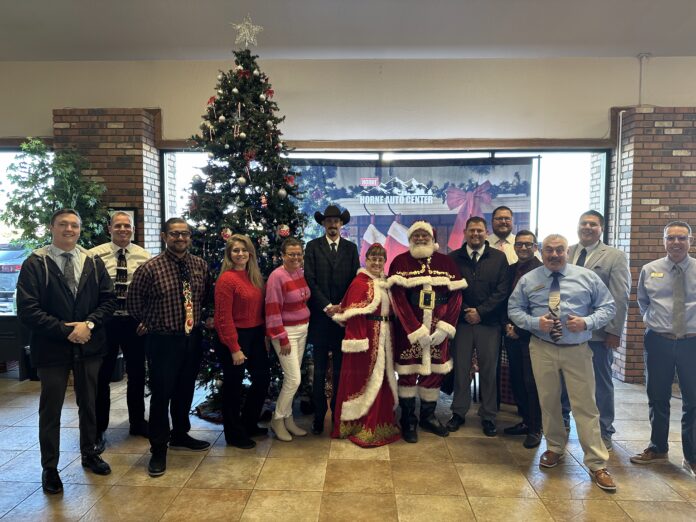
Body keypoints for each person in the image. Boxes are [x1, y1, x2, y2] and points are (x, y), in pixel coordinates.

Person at [17, 208, 116, 494]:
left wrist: (88, 324)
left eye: (74, 225)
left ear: (79, 229)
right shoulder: (36, 263)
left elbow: (108, 300)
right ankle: (50, 468)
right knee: (51, 409)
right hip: (51, 349)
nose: (69, 229)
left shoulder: (92, 261)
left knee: (89, 403)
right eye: (63, 224)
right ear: (52, 227)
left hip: (89, 345)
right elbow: (27, 309)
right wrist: (66, 330)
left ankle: (90, 453)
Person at [508, 234, 617, 492]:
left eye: (559, 250)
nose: (554, 255)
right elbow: (514, 309)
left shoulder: (586, 277)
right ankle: (554, 448)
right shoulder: (529, 280)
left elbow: (608, 307)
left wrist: (587, 322)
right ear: (541, 251)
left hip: (577, 350)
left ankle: (597, 463)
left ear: (567, 252)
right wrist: (535, 323)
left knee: (585, 406)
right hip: (542, 348)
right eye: (549, 250)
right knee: (548, 402)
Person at [127, 217, 211, 478]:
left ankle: (180, 434)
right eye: (174, 234)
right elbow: (133, 303)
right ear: (164, 236)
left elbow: (205, 297)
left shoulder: (199, 265)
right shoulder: (150, 268)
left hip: (191, 338)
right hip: (163, 341)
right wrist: (151, 323)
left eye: (184, 234)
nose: (180, 238)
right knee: (162, 395)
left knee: (185, 390)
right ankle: (158, 449)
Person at [388, 221, 465, 443]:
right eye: (416, 235)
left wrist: (445, 327)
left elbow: (456, 297)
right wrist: (414, 328)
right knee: (408, 373)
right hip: (409, 331)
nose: (421, 238)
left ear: (432, 238)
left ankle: (428, 417)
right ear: (410, 239)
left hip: (438, 329)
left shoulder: (446, 262)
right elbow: (397, 298)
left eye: (425, 235)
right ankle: (408, 420)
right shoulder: (400, 262)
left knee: (434, 373)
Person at [561, 210, 631, 451]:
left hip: (598, 333)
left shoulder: (614, 256)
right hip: (567, 332)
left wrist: (614, 331)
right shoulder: (567, 251)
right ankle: (562, 422)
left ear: (601, 229)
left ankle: (604, 430)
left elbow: (619, 295)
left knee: (600, 382)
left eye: (593, 224)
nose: (587, 227)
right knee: (563, 380)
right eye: (584, 223)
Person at [631, 221, 696, 479]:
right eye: (671, 238)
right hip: (659, 341)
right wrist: (654, 322)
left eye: (682, 238)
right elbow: (642, 302)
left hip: (692, 342)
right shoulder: (650, 269)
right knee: (657, 396)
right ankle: (658, 448)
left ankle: (692, 456)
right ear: (664, 241)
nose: (676, 242)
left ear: (690, 241)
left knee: (693, 400)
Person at [89, 211, 151, 453]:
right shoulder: (95, 255)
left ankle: (137, 422)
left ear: (133, 229)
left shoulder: (144, 256)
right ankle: (99, 428)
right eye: (118, 226)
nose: (123, 229)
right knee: (102, 375)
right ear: (110, 228)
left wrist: (147, 318)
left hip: (134, 323)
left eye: (127, 226)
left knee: (137, 374)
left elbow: (151, 292)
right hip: (106, 323)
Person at [331, 243, 400, 447]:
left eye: (380, 259)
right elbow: (353, 316)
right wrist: (358, 341)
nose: (377, 263)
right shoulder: (359, 283)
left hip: (386, 337)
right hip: (368, 339)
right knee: (367, 379)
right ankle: (362, 424)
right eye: (373, 259)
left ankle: (382, 422)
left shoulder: (386, 282)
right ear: (366, 260)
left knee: (384, 378)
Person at [447, 216, 510, 437]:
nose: (475, 234)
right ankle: (458, 412)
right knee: (461, 369)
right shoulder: (453, 258)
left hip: (489, 324)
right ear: (465, 232)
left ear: (486, 233)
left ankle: (489, 415)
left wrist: (481, 312)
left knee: (489, 371)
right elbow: (450, 289)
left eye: (480, 230)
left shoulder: (499, 258)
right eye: (472, 230)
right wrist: (467, 311)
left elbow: (502, 291)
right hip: (462, 323)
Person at [304, 205, 360, 434]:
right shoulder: (312, 247)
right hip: (320, 318)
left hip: (341, 321)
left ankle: (337, 415)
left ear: (341, 224)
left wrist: (342, 307)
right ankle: (318, 417)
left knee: (339, 371)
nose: (333, 225)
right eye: (329, 221)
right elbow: (309, 279)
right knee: (318, 373)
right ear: (323, 224)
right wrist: (327, 306)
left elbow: (355, 282)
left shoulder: (351, 248)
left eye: (336, 221)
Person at [214, 234, 270, 449]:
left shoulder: (254, 276)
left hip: (255, 334)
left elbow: (260, 310)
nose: (240, 254)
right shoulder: (226, 280)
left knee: (262, 379)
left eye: (244, 250)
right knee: (233, 386)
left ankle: (249, 423)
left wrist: (264, 335)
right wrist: (234, 348)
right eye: (236, 250)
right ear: (229, 254)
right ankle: (234, 434)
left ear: (250, 253)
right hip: (234, 336)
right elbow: (222, 318)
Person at [265, 237, 311, 442]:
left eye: (299, 254)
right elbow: (272, 308)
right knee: (294, 379)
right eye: (291, 254)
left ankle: (288, 418)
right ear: (282, 255)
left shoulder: (300, 272)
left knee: (292, 378)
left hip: (302, 330)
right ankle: (277, 419)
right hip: (286, 333)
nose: (296, 257)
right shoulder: (277, 277)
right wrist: (281, 337)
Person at [502, 230, 543, 448]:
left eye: (528, 244)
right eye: (519, 244)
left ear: (535, 247)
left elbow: (540, 307)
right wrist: (507, 326)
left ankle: (536, 428)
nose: (524, 248)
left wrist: (520, 329)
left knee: (531, 382)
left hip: (531, 335)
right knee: (517, 379)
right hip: (510, 334)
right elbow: (504, 300)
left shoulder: (542, 271)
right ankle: (525, 421)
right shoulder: (510, 270)